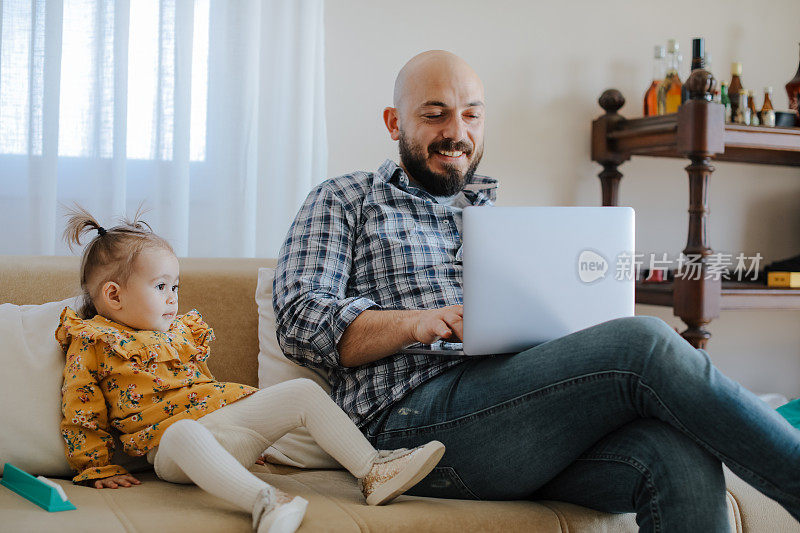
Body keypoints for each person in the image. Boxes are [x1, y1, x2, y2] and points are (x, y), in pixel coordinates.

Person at [274, 50, 800, 531]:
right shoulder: (345, 198)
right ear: (394, 123)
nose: (456, 132)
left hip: (515, 424)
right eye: (435, 114)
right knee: (646, 342)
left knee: (677, 453)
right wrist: (417, 321)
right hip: (407, 430)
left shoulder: (495, 222)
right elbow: (299, 319)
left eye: (472, 115)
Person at [56, 206, 445, 533]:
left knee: (302, 393)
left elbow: (200, 386)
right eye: (161, 287)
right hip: (171, 450)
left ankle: (373, 470)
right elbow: (81, 409)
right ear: (113, 295)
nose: (173, 298)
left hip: (225, 432)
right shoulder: (93, 340)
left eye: (176, 287)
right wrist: (95, 467)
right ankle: (267, 502)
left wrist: (249, 432)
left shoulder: (180, 334)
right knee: (184, 432)